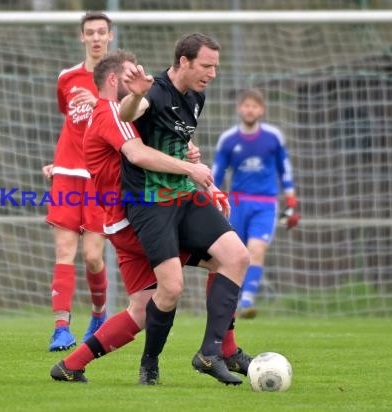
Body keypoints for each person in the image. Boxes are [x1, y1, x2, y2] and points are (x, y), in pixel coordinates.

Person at [51, 49, 252, 385]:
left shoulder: (126, 111)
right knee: (191, 277)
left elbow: (164, 135)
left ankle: (71, 365)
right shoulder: (110, 114)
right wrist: (191, 168)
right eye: (133, 75)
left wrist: (192, 161)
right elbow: (137, 152)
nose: (142, 80)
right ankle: (212, 352)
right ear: (115, 80)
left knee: (145, 306)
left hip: (135, 215)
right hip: (133, 219)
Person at [118, 33, 251, 385]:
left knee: (236, 257)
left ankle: (211, 352)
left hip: (184, 195)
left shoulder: (196, 97)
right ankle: (149, 362)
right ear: (183, 61)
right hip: (150, 202)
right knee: (171, 288)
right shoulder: (155, 90)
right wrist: (135, 93)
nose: (212, 73)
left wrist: (191, 154)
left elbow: (176, 135)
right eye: (206, 66)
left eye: (216, 67)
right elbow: (127, 113)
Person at [42, 11, 114, 352]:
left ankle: (99, 316)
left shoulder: (119, 80)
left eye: (102, 32)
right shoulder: (67, 78)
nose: (96, 37)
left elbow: (128, 119)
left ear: (110, 37)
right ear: (81, 37)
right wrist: (57, 163)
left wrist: (99, 101)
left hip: (101, 178)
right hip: (68, 175)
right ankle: (60, 328)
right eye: (91, 32)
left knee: (93, 257)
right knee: (63, 250)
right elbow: (70, 123)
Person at [212, 88, 300, 319]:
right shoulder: (229, 140)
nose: (250, 109)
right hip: (237, 203)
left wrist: (291, 199)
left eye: (255, 106)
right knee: (234, 255)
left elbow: (285, 168)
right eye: (246, 105)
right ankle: (232, 301)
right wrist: (213, 198)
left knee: (256, 250)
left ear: (261, 110)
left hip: (265, 204)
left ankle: (248, 300)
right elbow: (217, 173)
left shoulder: (273, 137)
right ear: (239, 108)